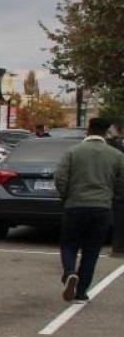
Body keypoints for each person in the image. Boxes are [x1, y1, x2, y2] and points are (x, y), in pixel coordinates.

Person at [55, 117, 124, 302]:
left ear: (88, 130)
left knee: (69, 245)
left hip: (75, 206)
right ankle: (81, 291)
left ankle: (70, 272)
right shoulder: (116, 155)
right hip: (101, 208)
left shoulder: (72, 152)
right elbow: (121, 182)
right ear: (106, 132)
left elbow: (60, 177)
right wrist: (112, 197)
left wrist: (66, 197)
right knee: (91, 250)